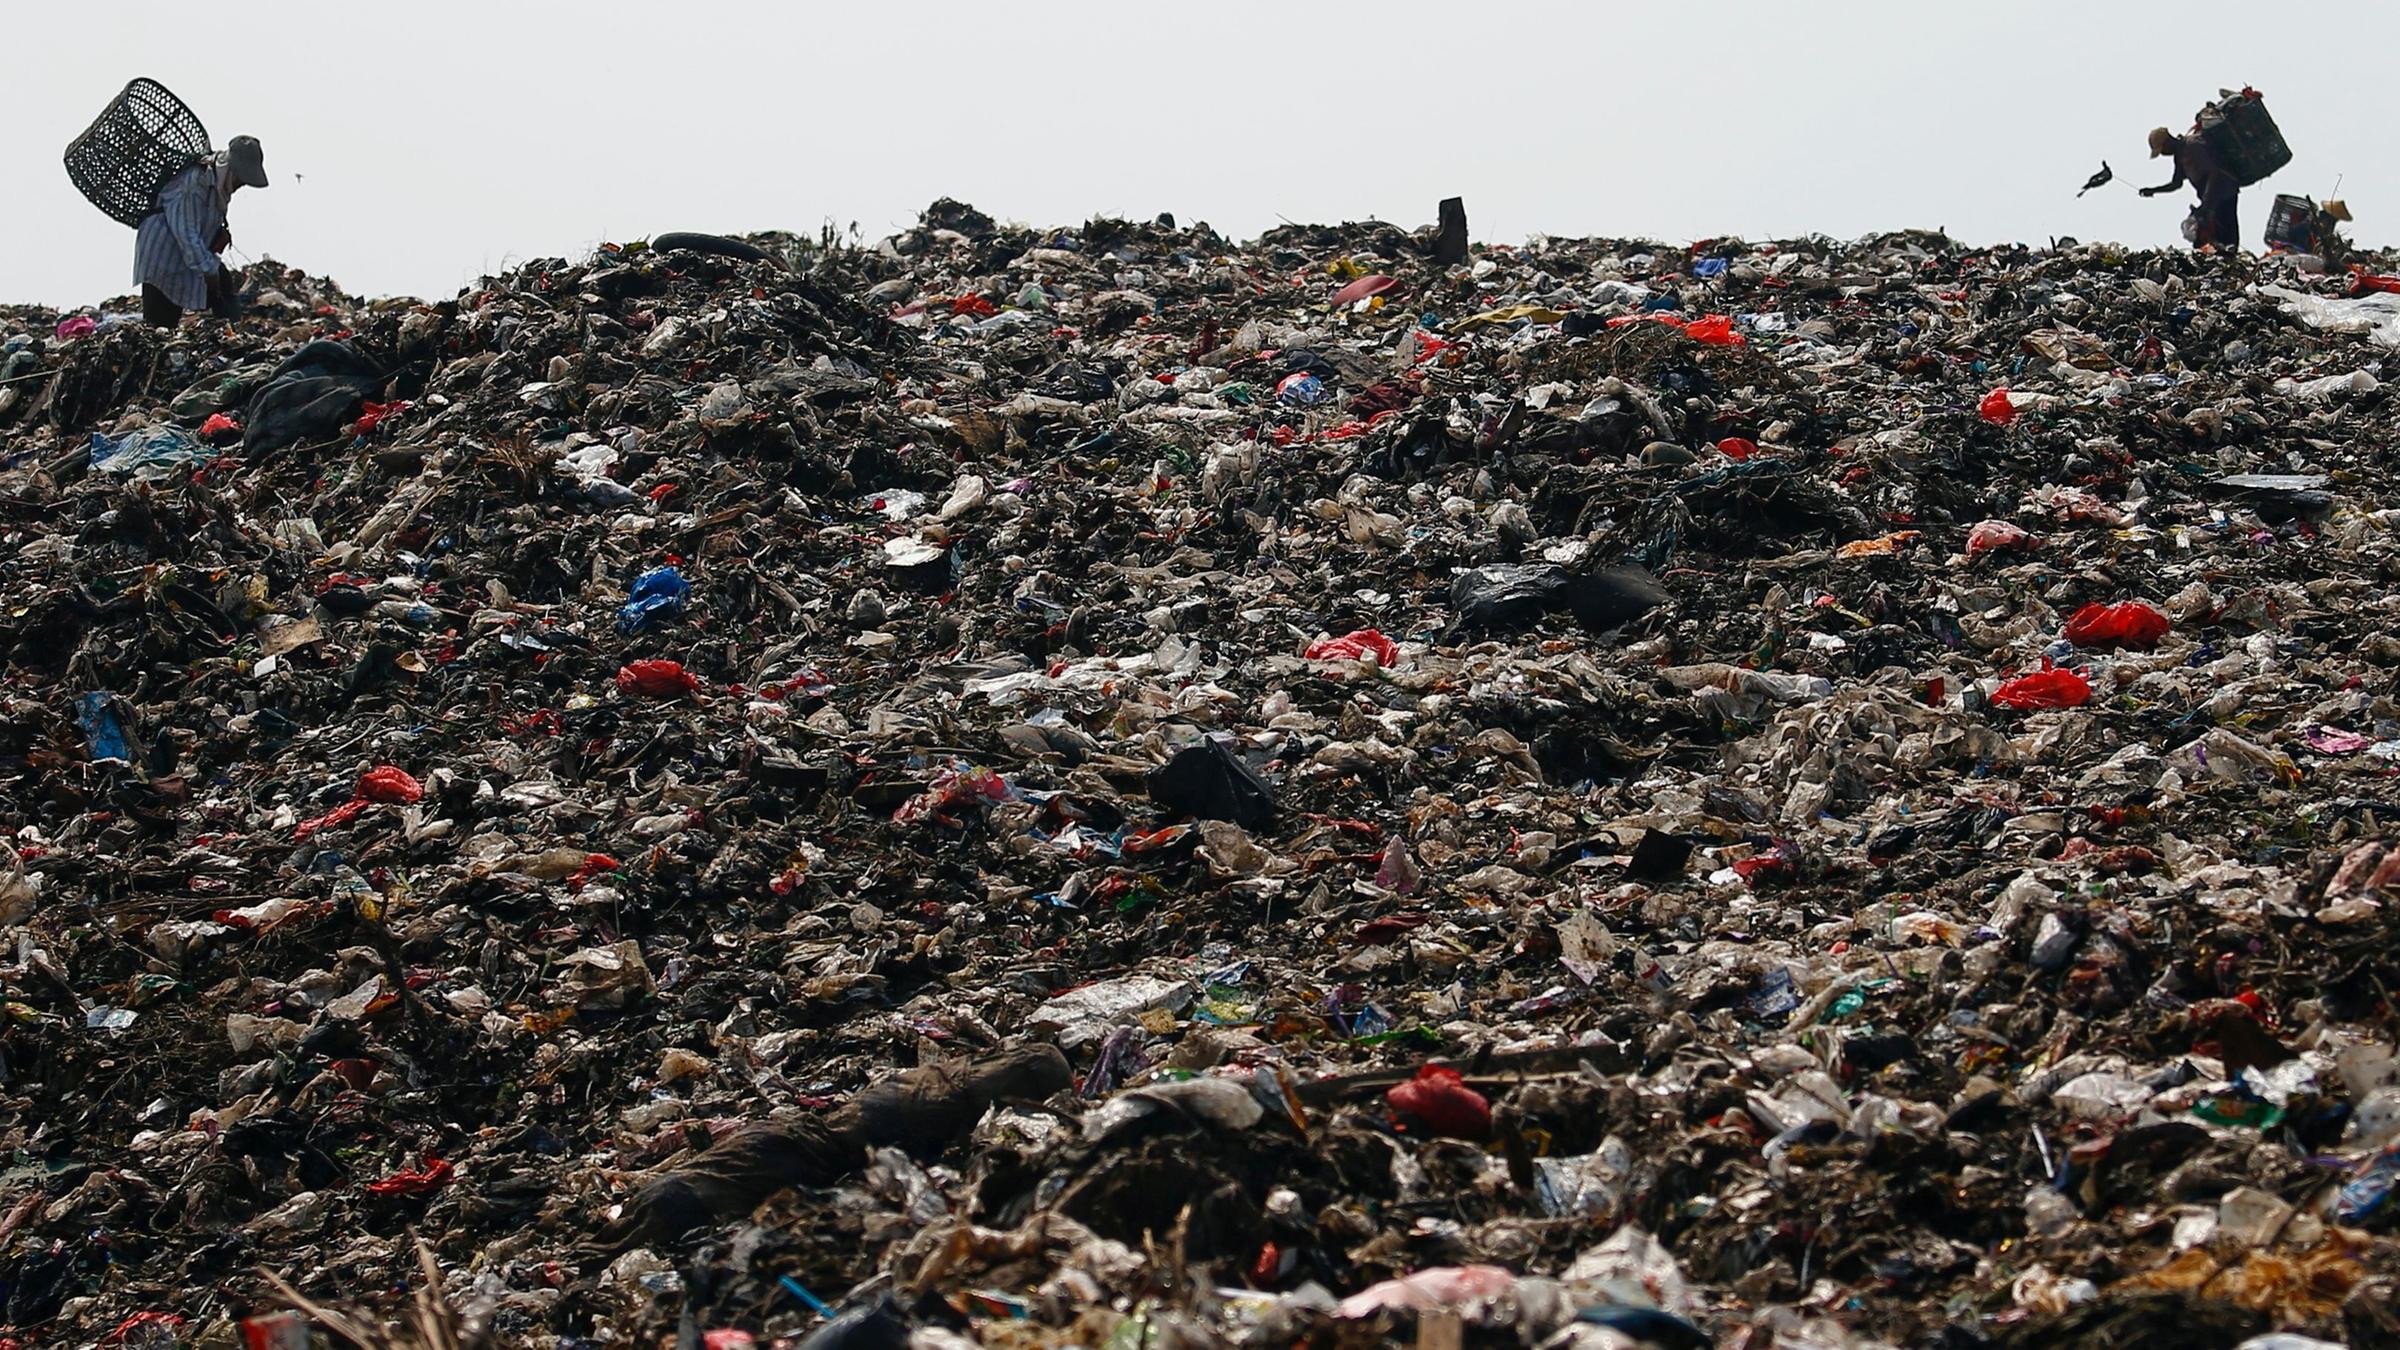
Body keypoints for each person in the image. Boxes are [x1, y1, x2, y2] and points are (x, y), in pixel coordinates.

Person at [131, 135, 268, 327]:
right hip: (162, 258)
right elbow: (185, 232)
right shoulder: (195, 183)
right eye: (241, 179)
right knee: (160, 325)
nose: (241, 185)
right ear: (230, 169)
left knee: (224, 287)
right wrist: (208, 271)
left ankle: (231, 340)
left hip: (185, 257)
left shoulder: (218, 187)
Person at [2140, 126, 2238, 251]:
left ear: (2168, 142)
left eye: (2162, 150)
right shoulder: (2179, 156)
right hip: (2209, 200)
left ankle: (2232, 258)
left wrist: (2207, 203)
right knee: (2209, 237)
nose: (2163, 154)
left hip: (2223, 192)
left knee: (2227, 233)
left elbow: (2214, 173)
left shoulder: (2192, 146)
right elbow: (2176, 184)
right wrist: (2153, 190)